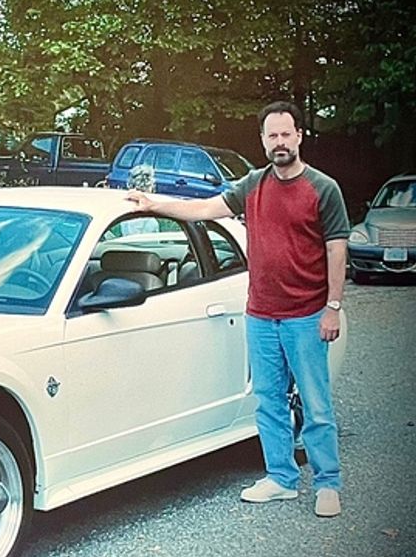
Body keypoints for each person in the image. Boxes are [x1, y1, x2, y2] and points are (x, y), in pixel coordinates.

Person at [125, 101, 349, 518]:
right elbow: (205, 209)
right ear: (263, 140)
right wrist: (153, 204)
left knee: (316, 404)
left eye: (286, 134)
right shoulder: (252, 185)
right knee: (268, 401)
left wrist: (332, 307)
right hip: (261, 314)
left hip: (306, 314)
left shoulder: (323, 189)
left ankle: (327, 483)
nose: (279, 142)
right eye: (272, 136)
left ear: (299, 136)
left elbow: (337, 250)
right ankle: (281, 478)